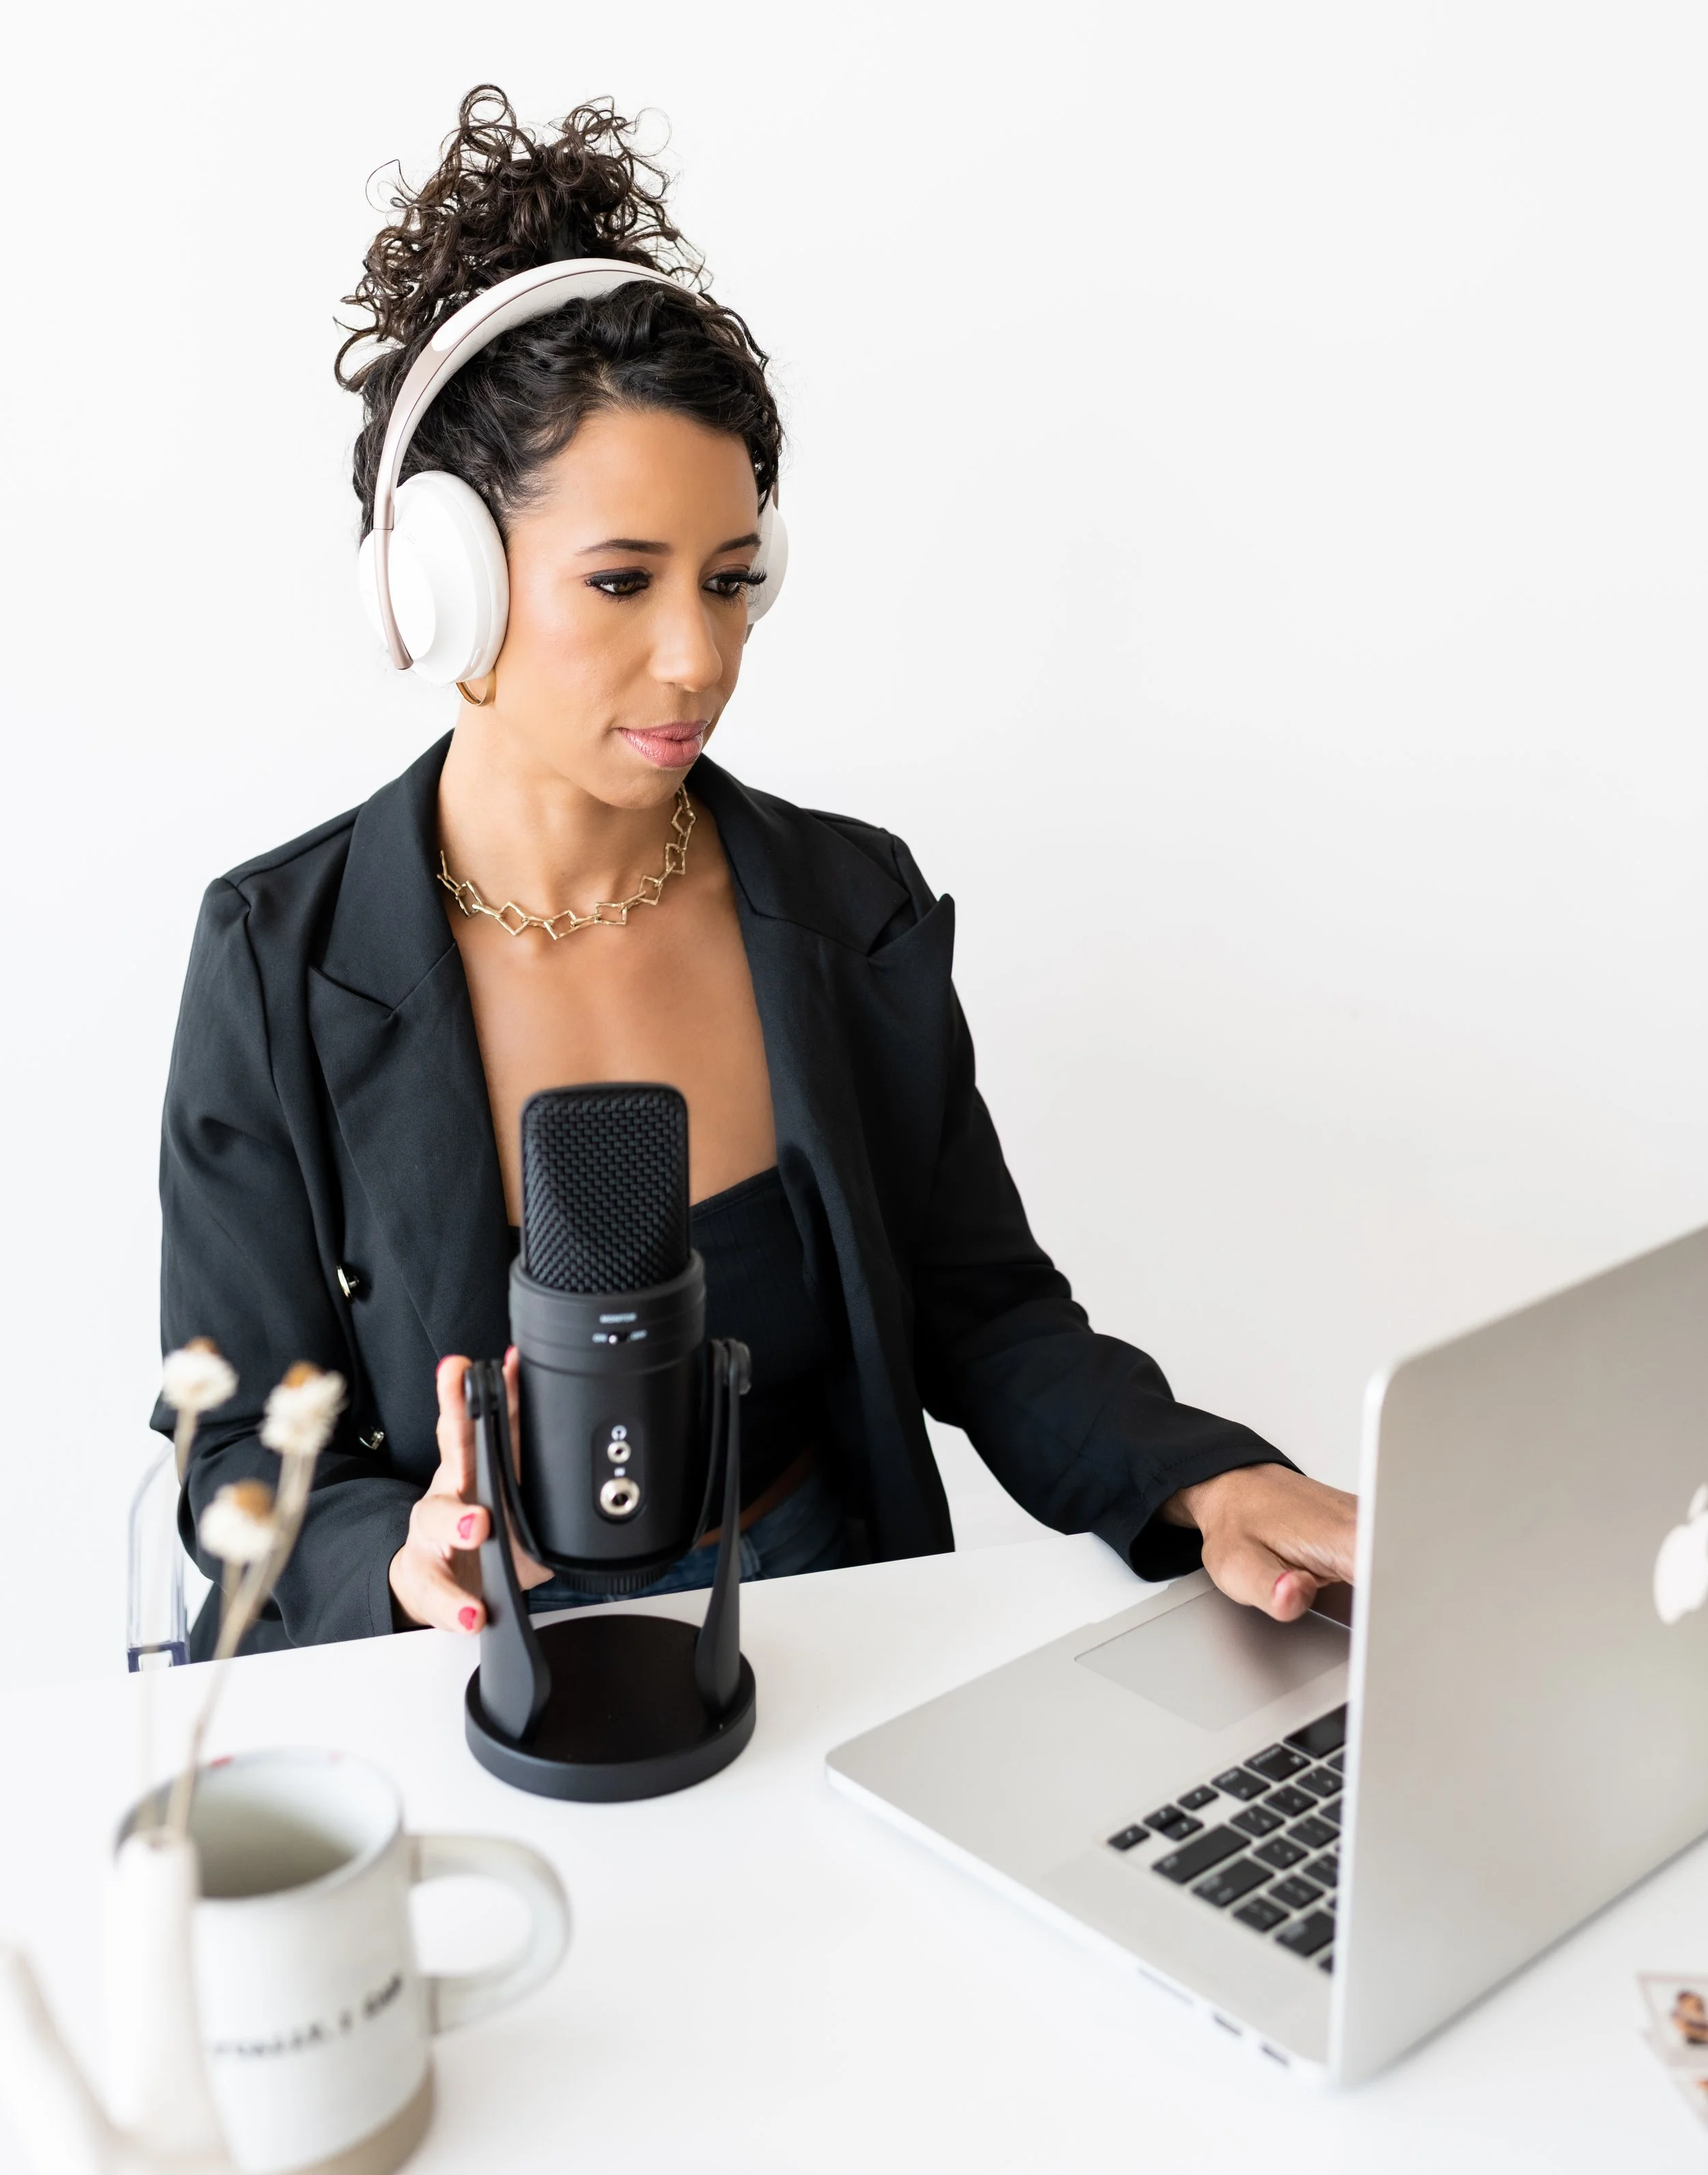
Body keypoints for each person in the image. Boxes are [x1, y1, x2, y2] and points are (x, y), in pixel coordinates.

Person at [156, 85, 1356, 1654]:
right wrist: (397, 1550)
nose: (697, 654)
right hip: (449, 1684)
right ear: (437, 585)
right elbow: (236, 1445)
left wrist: (1206, 1482)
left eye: (730, 583)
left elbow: (983, 1316)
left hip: (807, 1651)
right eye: (621, 581)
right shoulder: (274, 956)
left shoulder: (845, 909)